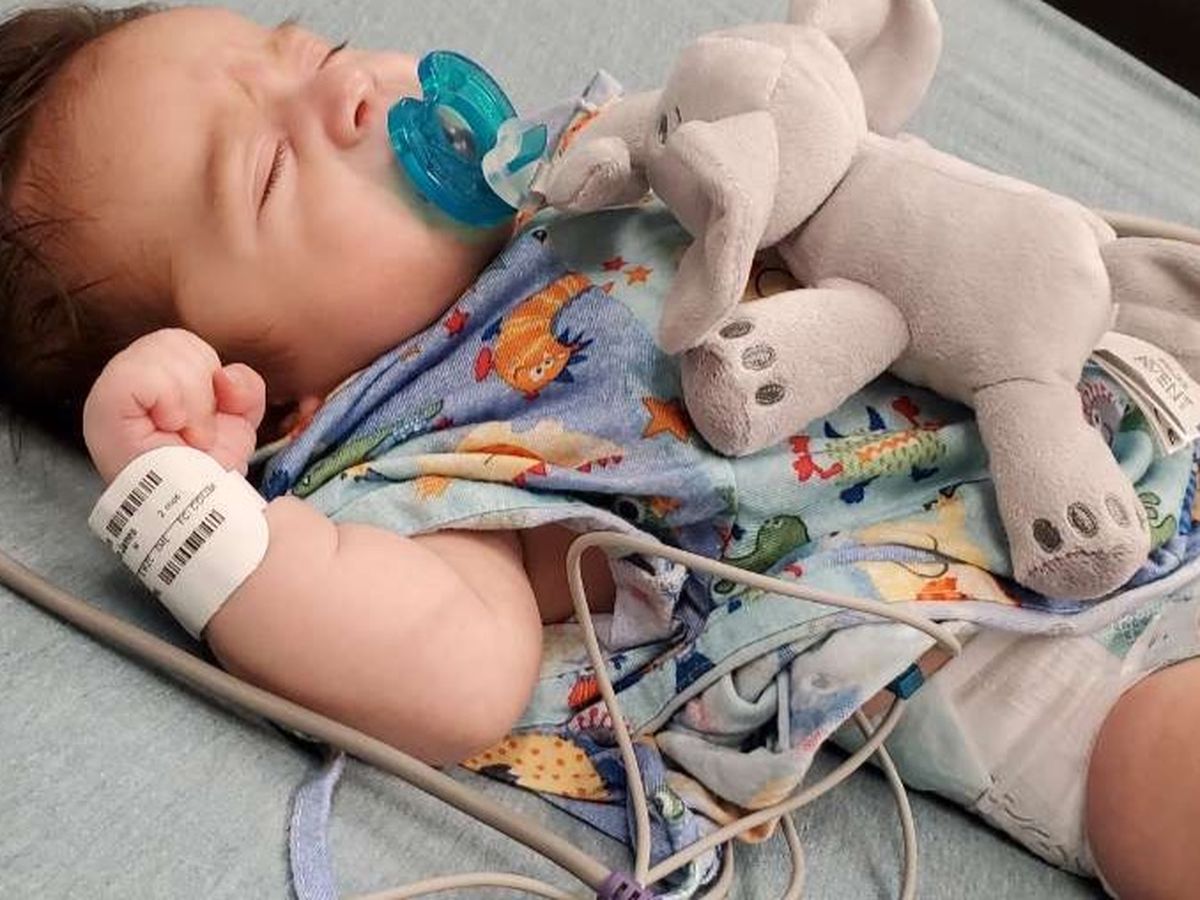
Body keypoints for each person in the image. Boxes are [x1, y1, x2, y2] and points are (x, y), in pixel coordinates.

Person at [0, 6, 1195, 896]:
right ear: (269, 402)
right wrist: (194, 507)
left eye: (312, 55)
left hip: (1109, 411)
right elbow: (453, 675)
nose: (351, 96)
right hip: (1024, 635)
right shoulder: (412, 455)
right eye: (267, 174)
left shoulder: (603, 161)